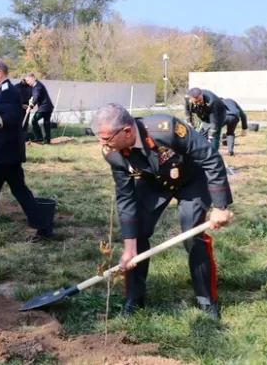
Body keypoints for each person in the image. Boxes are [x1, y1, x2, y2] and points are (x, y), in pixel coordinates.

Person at [92, 103, 233, 319]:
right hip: (154, 183)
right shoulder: (113, 153)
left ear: (127, 131)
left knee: (192, 234)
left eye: (106, 138)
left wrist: (221, 207)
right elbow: (125, 197)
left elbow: (210, 157)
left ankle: (206, 299)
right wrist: (129, 247)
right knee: (138, 232)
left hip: (191, 180)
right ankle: (134, 298)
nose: (102, 144)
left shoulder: (166, 128)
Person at [0, 59, 51, 243]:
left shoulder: (8, 92)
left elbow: (11, 117)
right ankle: (44, 226)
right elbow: (2, 127)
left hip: (2, 154)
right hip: (4, 151)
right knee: (20, 191)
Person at [27, 74, 54, 144]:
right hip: (48, 107)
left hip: (44, 107)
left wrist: (31, 106)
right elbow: (34, 96)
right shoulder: (36, 85)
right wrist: (30, 100)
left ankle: (39, 138)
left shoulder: (37, 86)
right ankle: (47, 140)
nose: (27, 82)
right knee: (46, 123)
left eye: (28, 80)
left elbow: (36, 97)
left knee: (34, 120)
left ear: (32, 78)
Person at [15, 76, 33, 140]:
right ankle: (17, 136)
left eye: (25, 80)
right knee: (18, 122)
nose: (24, 81)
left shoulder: (30, 87)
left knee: (25, 122)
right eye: (23, 79)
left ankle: (24, 136)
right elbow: (14, 98)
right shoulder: (16, 87)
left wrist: (30, 105)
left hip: (27, 107)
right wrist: (21, 105)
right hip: (18, 107)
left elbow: (32, 97)